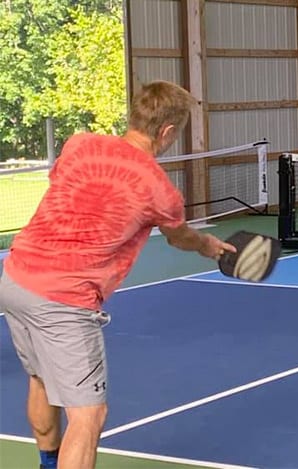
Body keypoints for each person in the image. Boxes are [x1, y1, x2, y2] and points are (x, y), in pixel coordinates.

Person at [0, 81, 236, 468]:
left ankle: (46, 462)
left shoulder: (79, 144)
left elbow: (67, 188)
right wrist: (209, 246)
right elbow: (179, 239)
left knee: (41, 379)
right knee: (88, 416)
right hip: (64, 299)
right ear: (167, 132)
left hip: (16, 276)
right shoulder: (159, 189)